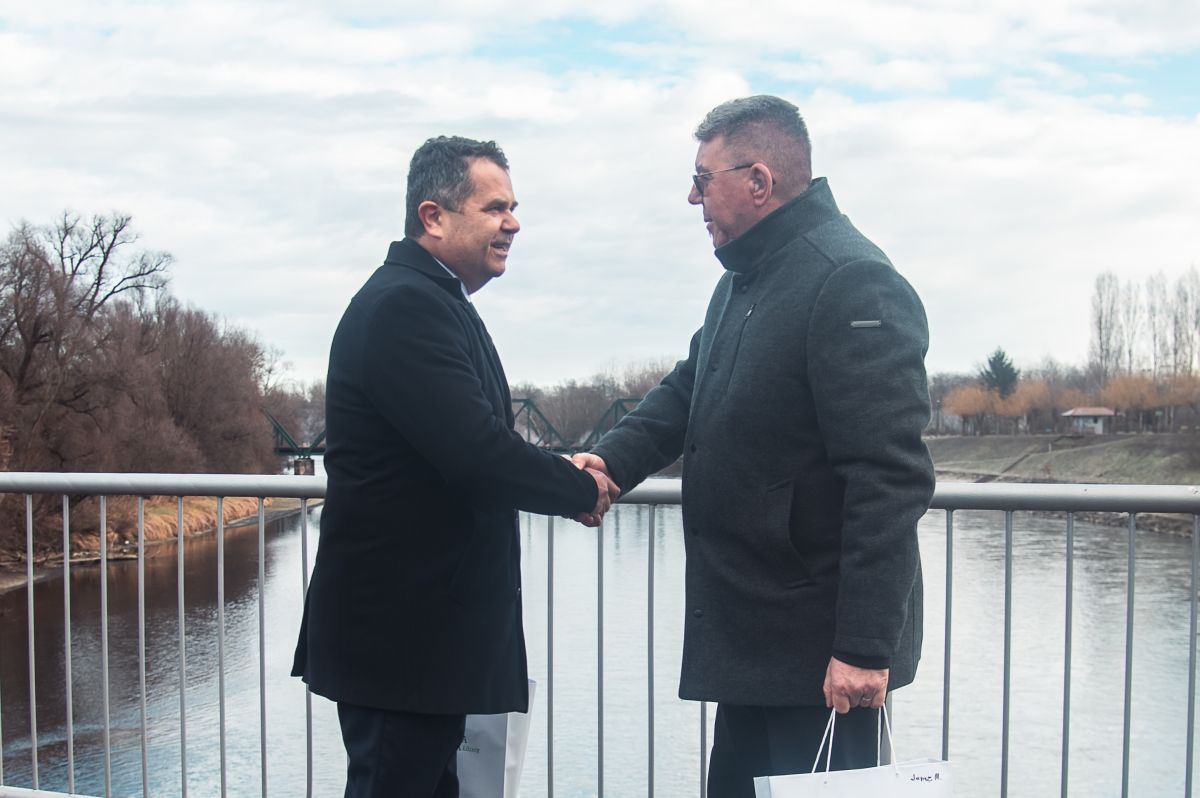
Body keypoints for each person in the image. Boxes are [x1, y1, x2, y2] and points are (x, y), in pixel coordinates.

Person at [574, 96, 935, 795]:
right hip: (755, 643)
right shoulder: (746, 279)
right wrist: (610, 461)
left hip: (823, 661)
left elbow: (889, 476)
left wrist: (864, 647)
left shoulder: (850, 279)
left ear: (759, 181)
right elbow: (688, 389)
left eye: (702, 179)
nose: (693, 197)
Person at [292, 135, 618, 798]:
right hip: (403, 644)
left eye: (514, 207)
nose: (513, 223)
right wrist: (578, 487)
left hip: (422, 644)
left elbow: (466, 441)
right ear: (433, 217)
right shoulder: (405, 307)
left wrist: (559, 467)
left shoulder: (431, 300)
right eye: (495, 208)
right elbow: (477, 455)